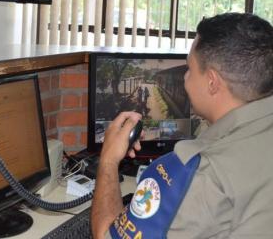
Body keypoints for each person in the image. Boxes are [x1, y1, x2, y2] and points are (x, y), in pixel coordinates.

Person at [91, 12, 273, 238]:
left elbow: (103, 235)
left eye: (189, 69)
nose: (185, 78)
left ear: (212, 82)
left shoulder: (198, 172)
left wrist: (108, 160)